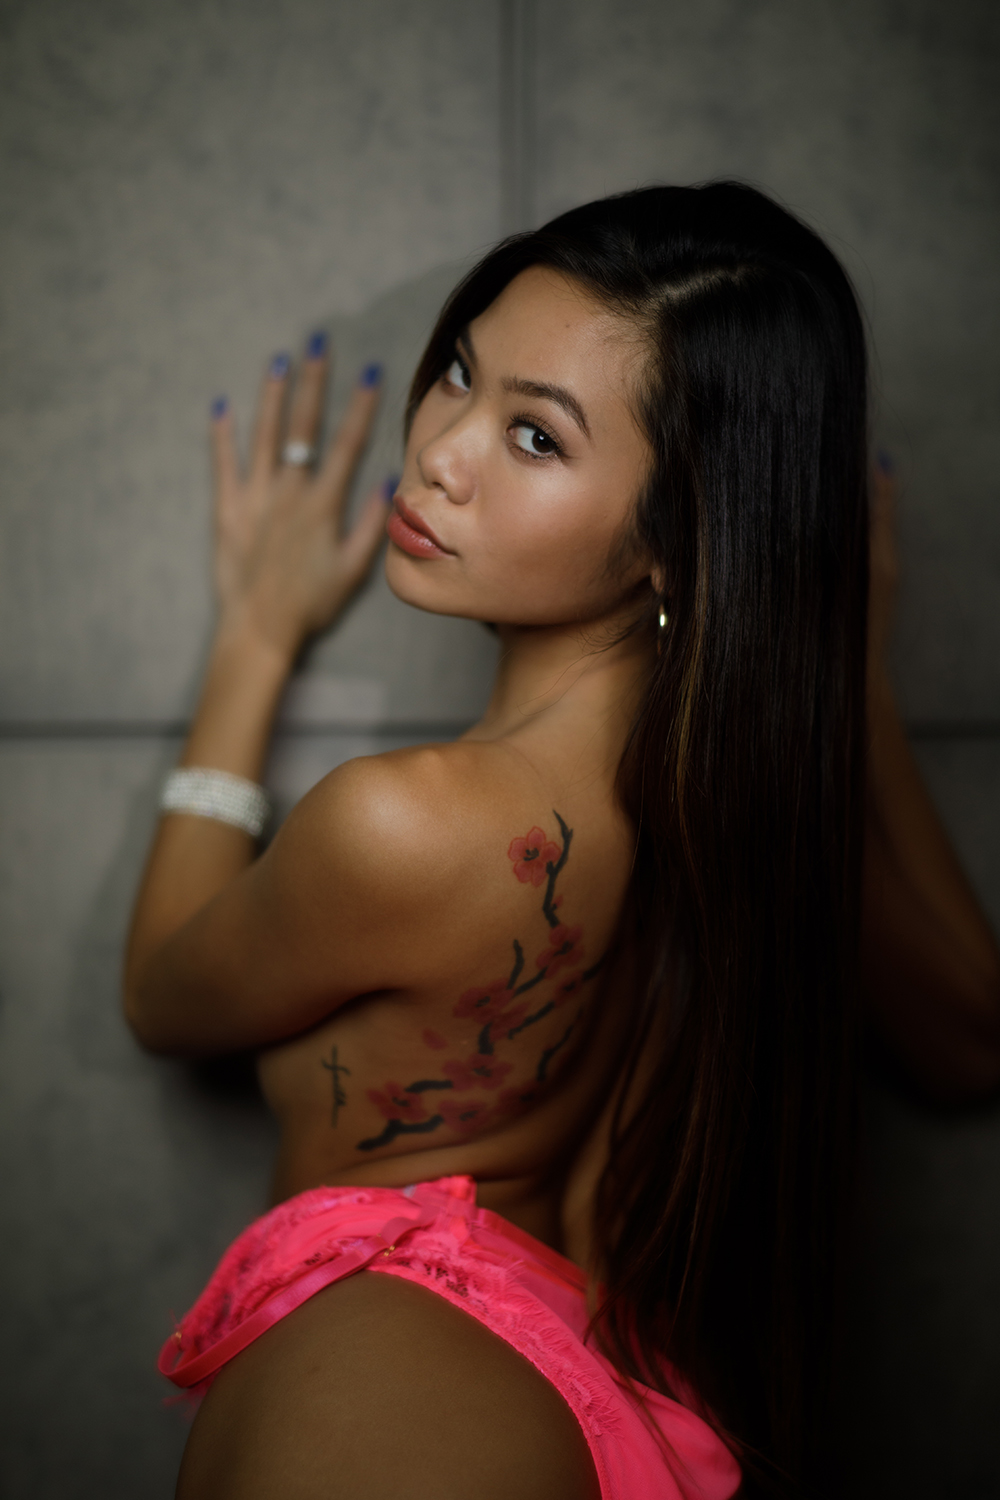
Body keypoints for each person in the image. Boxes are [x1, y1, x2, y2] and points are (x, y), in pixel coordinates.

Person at [124, 183, 1000, 1499]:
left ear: (678, 538)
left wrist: (251, 640)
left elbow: (160, 996)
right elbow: (972, 1037)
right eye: (461, 373)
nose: (441, 451)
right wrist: (843, 669)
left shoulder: (406, 823)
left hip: (401, 1392)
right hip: (623, 1406)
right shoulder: (749, 798)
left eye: (534, 435)